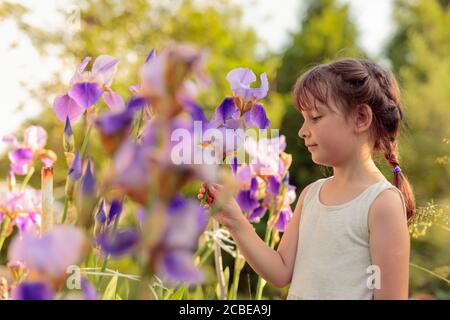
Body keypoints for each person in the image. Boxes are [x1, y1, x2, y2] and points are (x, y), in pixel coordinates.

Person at [198, 58, 414, 300]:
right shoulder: (311, 195)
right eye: (304, 118)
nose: (303, 131)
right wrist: (234, 220)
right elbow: (280, 271)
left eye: (315, 117)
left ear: (361, 118)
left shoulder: (381, 203)